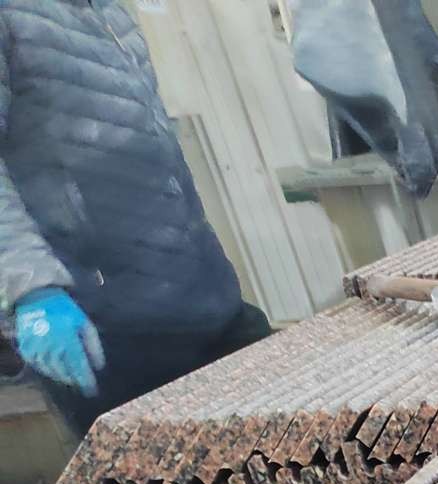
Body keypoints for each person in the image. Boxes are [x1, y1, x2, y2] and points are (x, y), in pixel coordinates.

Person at [0, 0, 269, 440]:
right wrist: (32, 291)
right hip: (101, 329)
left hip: (204, 300)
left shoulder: (109, 12)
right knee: (165, 477)